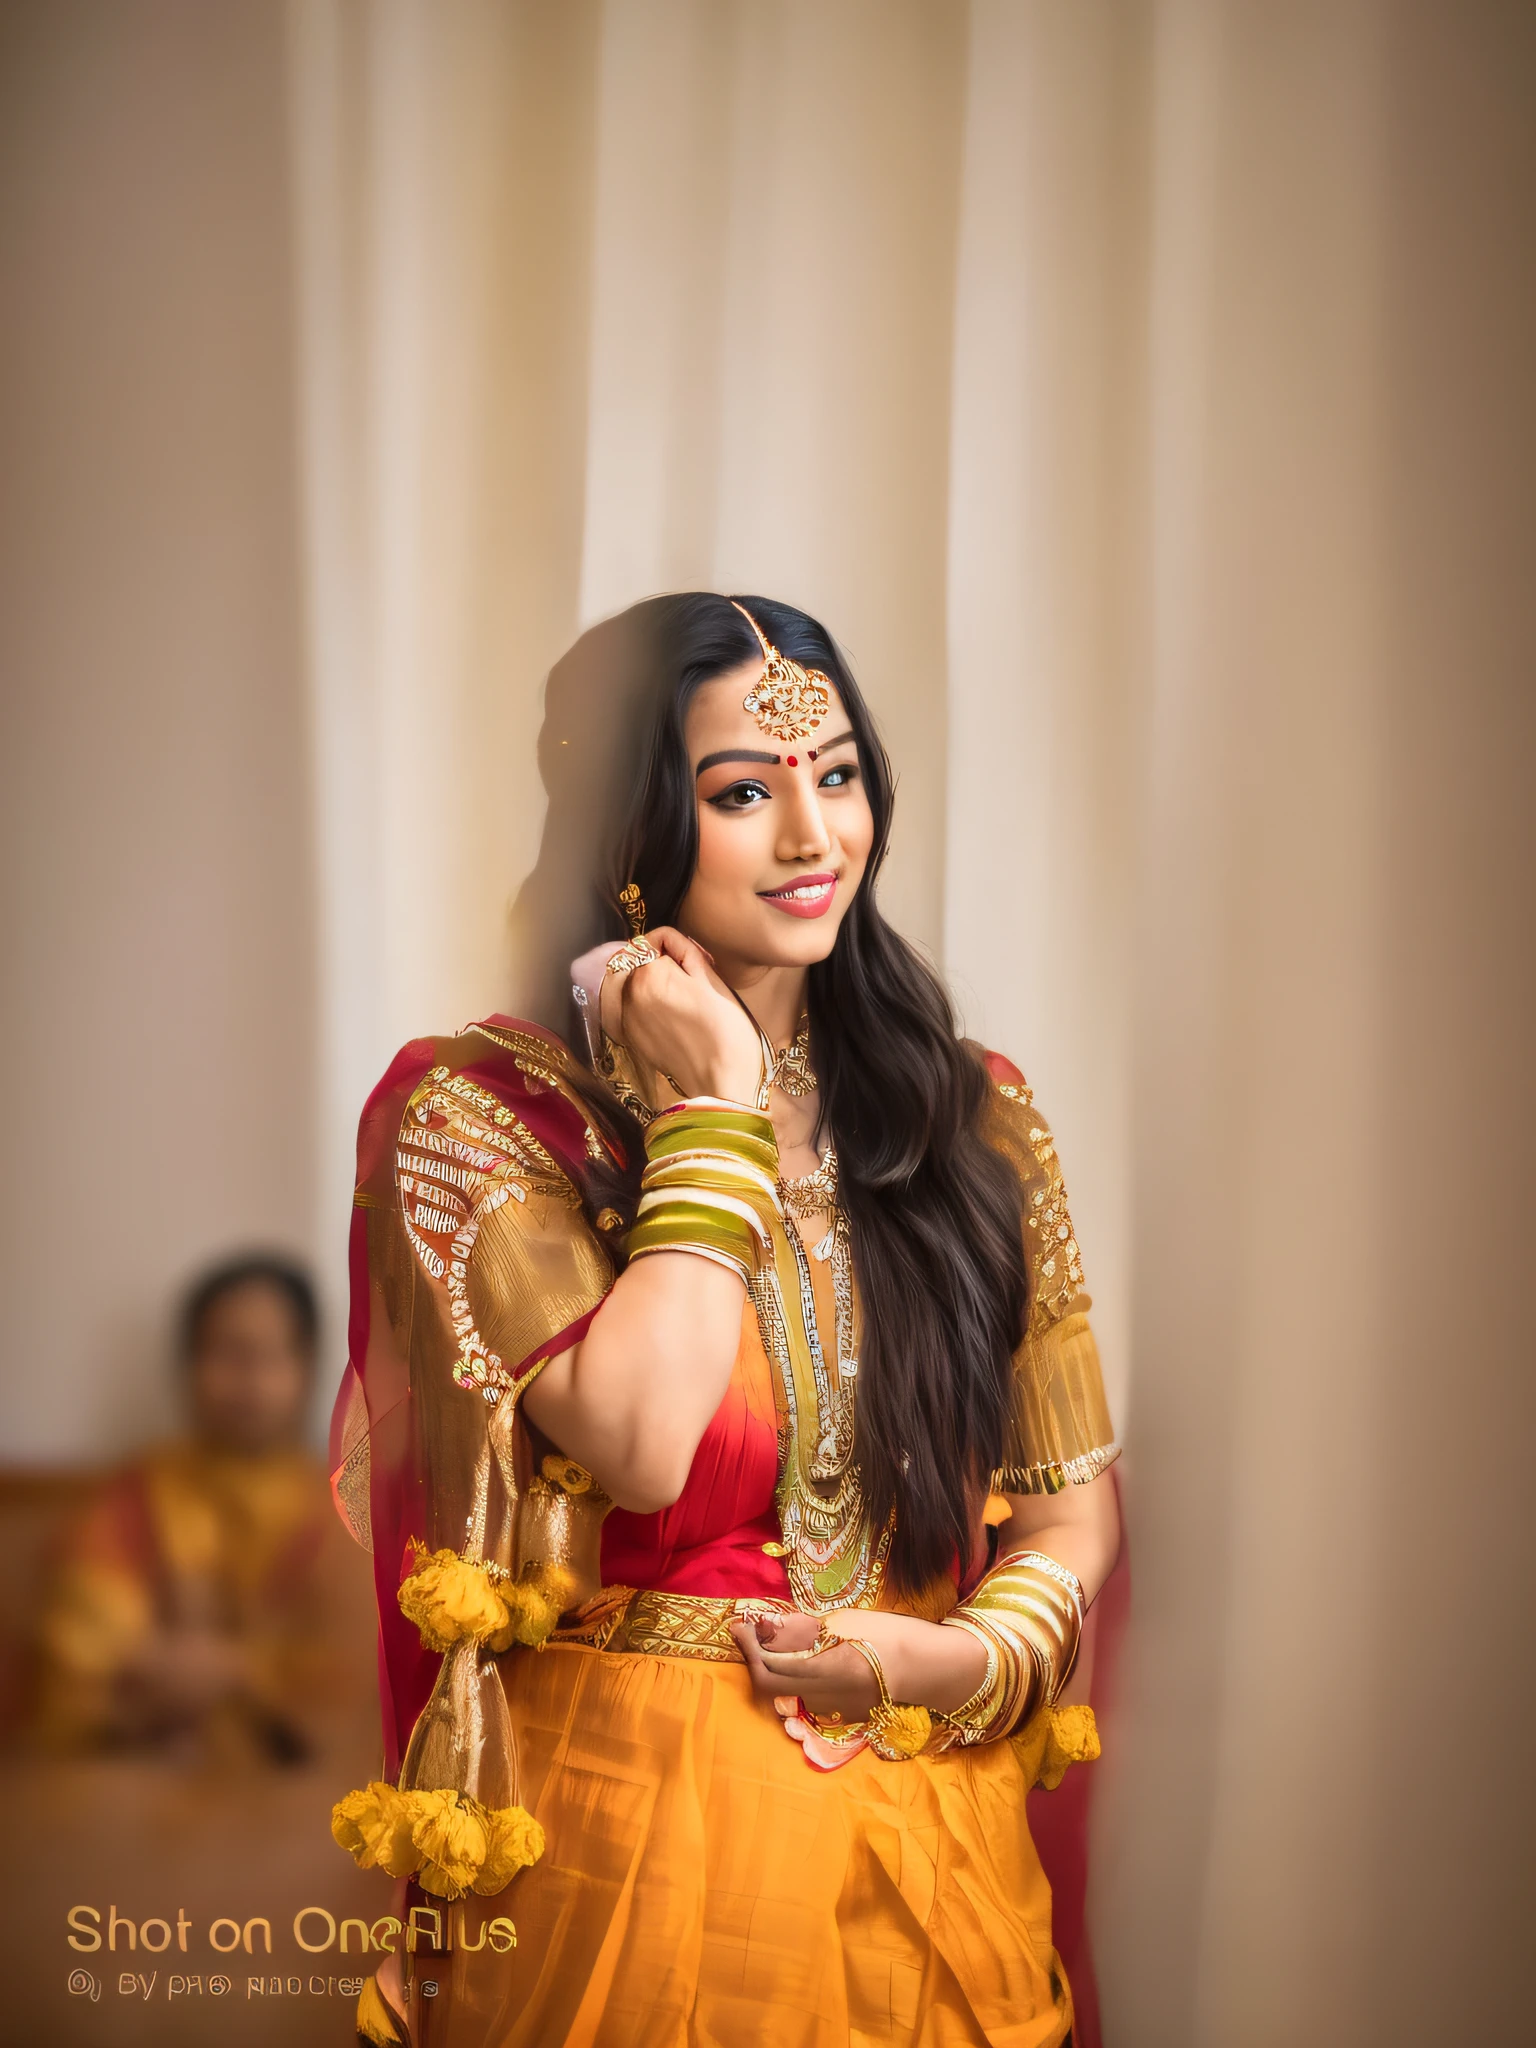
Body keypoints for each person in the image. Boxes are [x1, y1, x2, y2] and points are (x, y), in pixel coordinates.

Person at [331, 595, 1122, 2048]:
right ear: (629, 830)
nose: (815, 837)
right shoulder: (482, 1120)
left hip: (935, 1850)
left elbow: (1070, 1513)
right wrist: (718, 1114)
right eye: (744, 793)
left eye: (839, 776)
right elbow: (638, 1441)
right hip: (629, 1856)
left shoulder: (976, 1119)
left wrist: (967, 1658)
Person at [36, 1255, 376, 1766]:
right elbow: (82, 1657)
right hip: (144, 1779)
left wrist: (236, 1672)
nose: (248, 1380)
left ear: (306, 1369)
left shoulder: (345, 1513)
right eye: (226, 1353)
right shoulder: (136, 1498)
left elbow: (357, 1684)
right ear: (188, 1364)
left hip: (294, 1798)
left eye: (268, 1355)